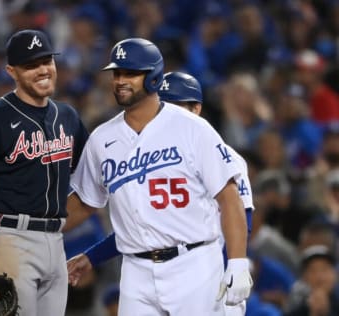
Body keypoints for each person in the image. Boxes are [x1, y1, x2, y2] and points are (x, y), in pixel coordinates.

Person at [68, 38, 252, 315]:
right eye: (116, 73)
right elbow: (84, 203)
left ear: (153, 77)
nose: (120, 80)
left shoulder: (193, 129)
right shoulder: (101, 139)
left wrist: (237, 262)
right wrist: (33, 229)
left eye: (130, 73)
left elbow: (230, 199)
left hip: (194, 262)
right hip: (135, 269)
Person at [0, 29, 89, 316]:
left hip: (55, 239)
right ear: (11, 71)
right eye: (30, 65)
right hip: (9, 237)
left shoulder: (68, 117)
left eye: (46, 61)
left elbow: (89, 178)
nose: (42, 70)